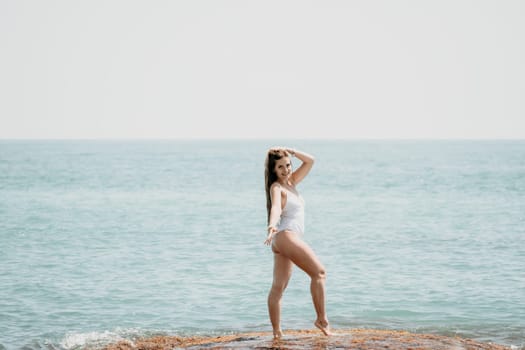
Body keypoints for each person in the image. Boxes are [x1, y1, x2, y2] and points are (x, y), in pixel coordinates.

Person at [264, 146, 332, 339]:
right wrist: (271, 226)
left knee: (278, 287)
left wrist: (290, 151)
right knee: (319, 273)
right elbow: (276, 207)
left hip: (284, 240)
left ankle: (277, 333)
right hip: (286, 235)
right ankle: (322, 319)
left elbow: (310, 160)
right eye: (280, 167)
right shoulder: (276, 187)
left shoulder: (292, 182)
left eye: (288, 165)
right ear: (273, 171)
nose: (286, 170)